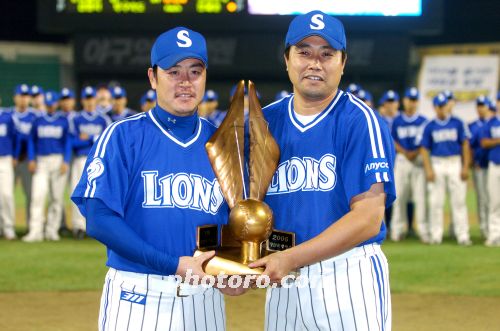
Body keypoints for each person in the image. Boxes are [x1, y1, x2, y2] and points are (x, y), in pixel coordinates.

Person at [71, 26, 239, 331]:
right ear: (153, 77)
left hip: (203, 297)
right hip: (138, 294)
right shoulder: (123, 136)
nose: (185, 82)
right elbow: (99, 219)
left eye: (195, 71)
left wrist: (231, 268)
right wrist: (173, 264)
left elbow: (232, 224)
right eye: (174, 72)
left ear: (205, 77)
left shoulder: (224, 145)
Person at [249, 11, 396, 330]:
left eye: (327, 54)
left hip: (346, 276)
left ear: (343, 63)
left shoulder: (360, 121)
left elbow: (368, 219)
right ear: (286, 59)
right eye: (304, 52)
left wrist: (290, 258)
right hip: (282, 277)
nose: (315, 63)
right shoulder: (263, 123)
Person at [419, 93, 472, 245]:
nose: (442, 109)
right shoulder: (429, 125)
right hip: (437, 163)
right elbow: (424, 148)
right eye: (439, 106)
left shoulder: (458, 123)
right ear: (435, 107)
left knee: (459, 201)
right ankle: (436, 235)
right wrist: (428, 169)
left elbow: (465, 145)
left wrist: (465, 166)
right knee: (436, 201)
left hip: (455, 162)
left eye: (444, 106)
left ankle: (463, 235)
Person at [22, 91, 71, 242]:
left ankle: (52, 230)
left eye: (52, 104)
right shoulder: (38, 120)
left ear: (56, 104)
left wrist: (66, 161)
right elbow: (31, 141)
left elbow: (67, 142)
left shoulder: (63, 120)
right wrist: (31, 159)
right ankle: (35, 231)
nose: (50, 107)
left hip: (57, 160)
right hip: (41, 161)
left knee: (56, 198)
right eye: (48, 104)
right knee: (38, 196)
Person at [70, 86, 111, 239]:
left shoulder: (103, 119)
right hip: (80, 159)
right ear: (82, 101)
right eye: (86, 98)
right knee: (78, 192)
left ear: (95, 100)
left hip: (98, 161)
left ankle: (97, 227)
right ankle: (78, 226)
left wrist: (88, 138)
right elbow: (73, 142)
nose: (89, 102)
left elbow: (106, 141)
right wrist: (93, 138)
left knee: (99, 194)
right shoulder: (75, 118)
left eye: (91, 98)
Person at [390, 87, 428, 242]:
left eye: (414, 100)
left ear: (418, 102)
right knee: (399, 197)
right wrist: (405, 152)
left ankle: (424, 231)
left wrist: (416, 151)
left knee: (420, 197)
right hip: (402, 160)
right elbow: (392, 140)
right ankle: (397, 230)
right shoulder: (397, 121)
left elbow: (426, 142)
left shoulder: (423, 121)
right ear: (404, 101)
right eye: (409, 100)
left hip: (418, 160)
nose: (412, 103)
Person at [11, 84, 38, 230]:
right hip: (11, 160)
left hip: (28, 160)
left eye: (26, 96)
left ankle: (30, 226)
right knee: (5, 194)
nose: (23, 99)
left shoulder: (35, 115)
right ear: (15, 97)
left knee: (31, 194)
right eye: (20, 95)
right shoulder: (9, 115)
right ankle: (4, 226)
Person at [469, 96, 493, 239]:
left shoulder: (494, 124)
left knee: (494, 199)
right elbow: (469, 147)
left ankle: (494, 228)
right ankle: (485, 229)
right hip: (480, 167)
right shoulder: (473, 126)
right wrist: (473, 161)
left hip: (494, 166)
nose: (481, 108)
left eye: (483, 105)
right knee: (483, 199)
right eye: (479, 105)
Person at [479, 93, 500, 247]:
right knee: (494, 201)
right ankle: (494, 234)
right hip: (494, 165)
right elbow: (484, 142)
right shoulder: (491, 123)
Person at [0, 106, 17, 240]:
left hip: (5, 158)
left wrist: (15, 156)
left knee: (6, 194)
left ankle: (8, 227)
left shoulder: (7, 117)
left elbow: (16, 137)